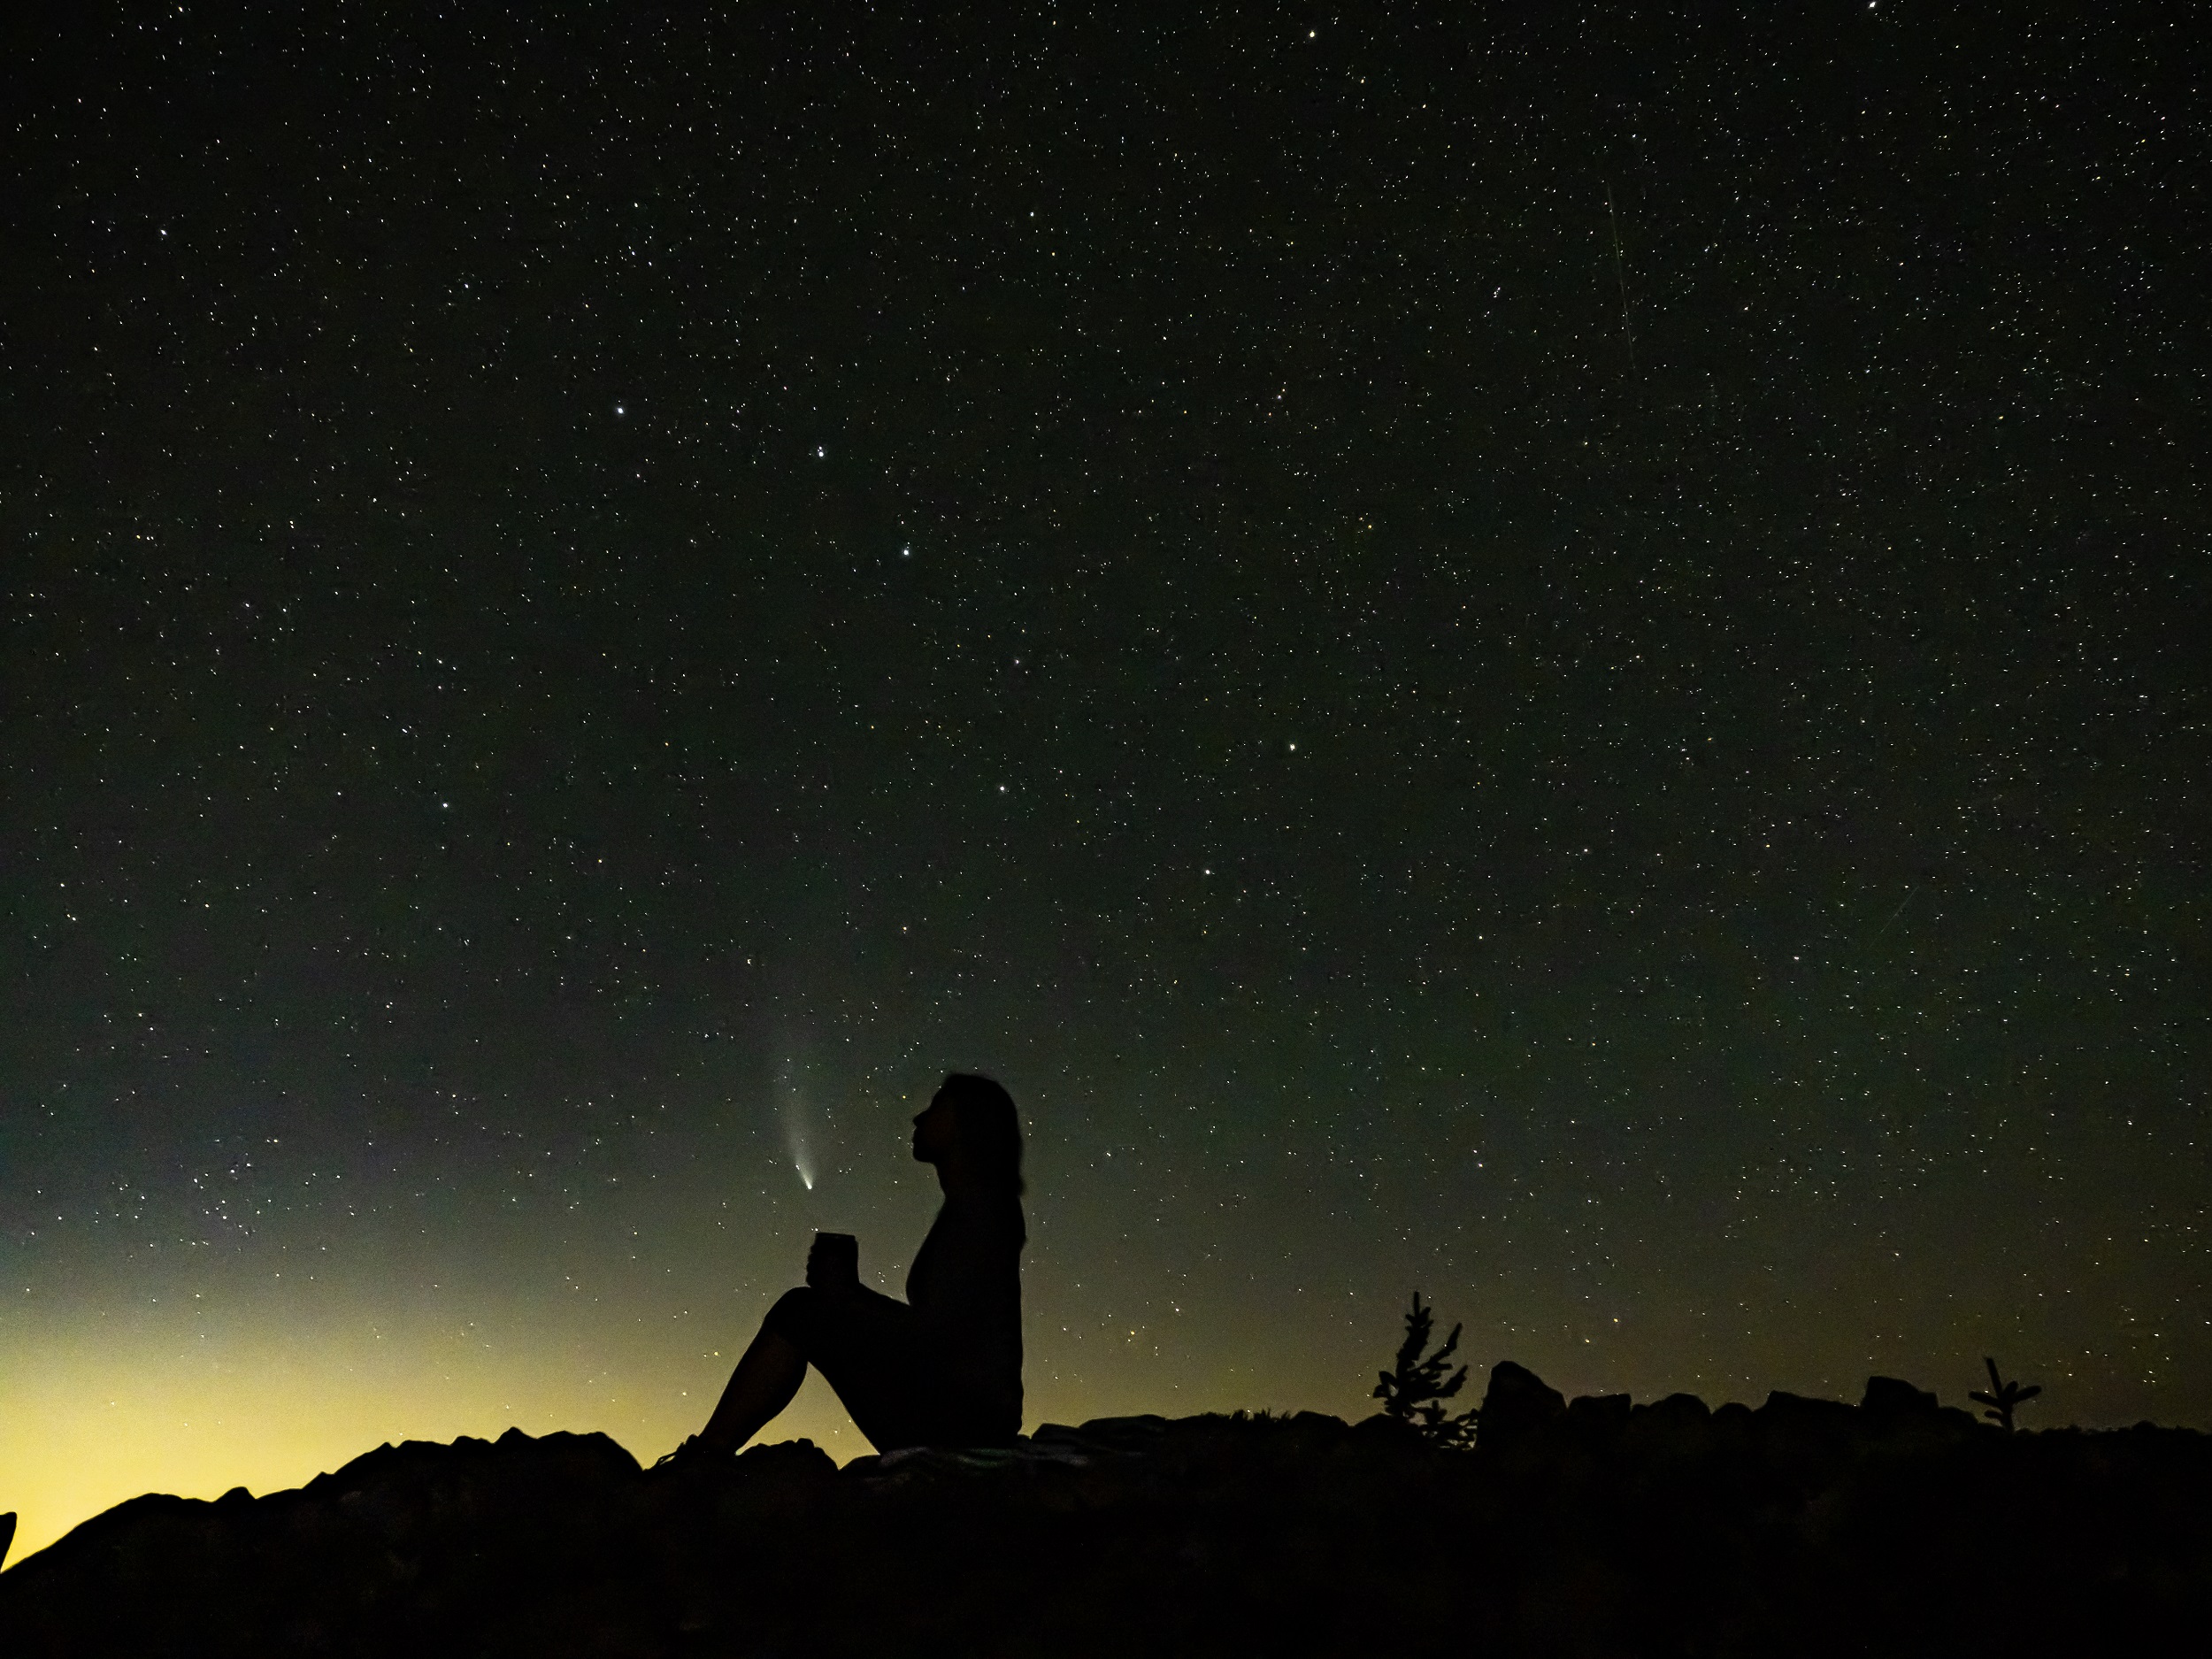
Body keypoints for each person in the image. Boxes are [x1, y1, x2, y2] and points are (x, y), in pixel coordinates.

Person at [667, 1073, 1026, 1462]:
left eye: (937, 1106)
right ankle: (709, 1452)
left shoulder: (982, 1212)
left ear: (967, 1121)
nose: (918, 1119)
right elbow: (941, 1330)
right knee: (805, 1311)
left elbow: (943, 1339)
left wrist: (848, 1298)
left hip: (964, 1421)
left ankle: (707, 1456)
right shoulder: (975, 1209)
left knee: (801, 1312)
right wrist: (850, 1297)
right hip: (963, 1411)